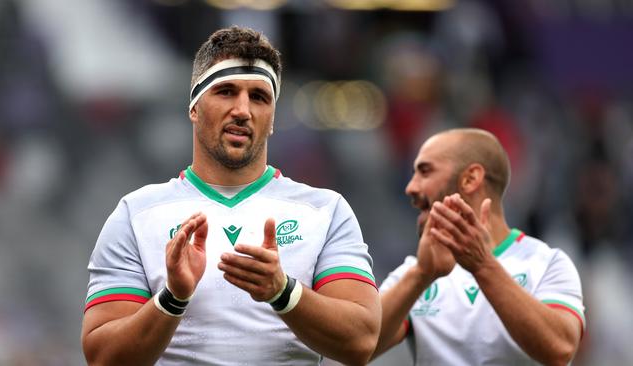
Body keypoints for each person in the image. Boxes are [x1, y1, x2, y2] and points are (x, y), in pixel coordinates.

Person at [81, 26, 380, 366]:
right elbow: (102, 357)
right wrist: (173, 299)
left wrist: (282, 291)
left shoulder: (326, 211)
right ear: (194, 108)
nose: (242, 110)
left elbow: (362, 341)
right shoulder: (135, 214)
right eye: (226, 91)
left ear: (271, 119)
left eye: (259, 97)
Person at [372, 128, 585, 365]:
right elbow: (359, 346)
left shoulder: (547, 263)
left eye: (425, 171)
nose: (410, 187)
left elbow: (560, 349)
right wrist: (421, 275)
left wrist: (483, 266)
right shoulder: (415, 272)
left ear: (470, 179)